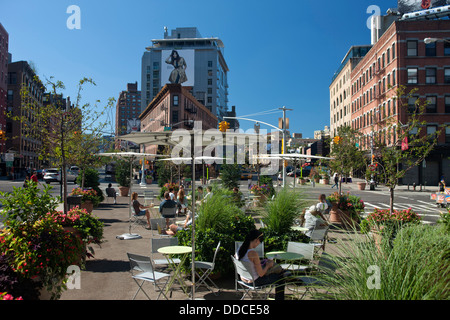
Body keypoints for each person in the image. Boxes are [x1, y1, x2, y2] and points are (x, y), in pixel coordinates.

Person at [236, 230, 286, 300]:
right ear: (256, 240)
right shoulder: (253, 253)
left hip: (243, 279)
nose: (259, 243)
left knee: (278, 271)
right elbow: (261, 274)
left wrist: (260, 262)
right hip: (254, 282)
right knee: (281, 277)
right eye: (260, 241)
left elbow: (248, 263)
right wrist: (268, 266)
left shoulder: (239, 249)